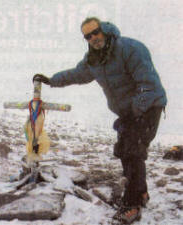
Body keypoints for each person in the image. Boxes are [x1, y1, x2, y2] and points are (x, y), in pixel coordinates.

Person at [33, 17, 167, 224]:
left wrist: (136, 111)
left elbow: (147, 82)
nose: (93, 38)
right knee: (123, 150)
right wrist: (52, 80)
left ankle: (132, 205)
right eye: (88, 36)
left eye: (96, 32)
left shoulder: (130, 48)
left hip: (148, 105)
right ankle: (140, 193)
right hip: (129, 111)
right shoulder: (94, 59)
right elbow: (77, 74)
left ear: (104, 30)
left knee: (133, 149)